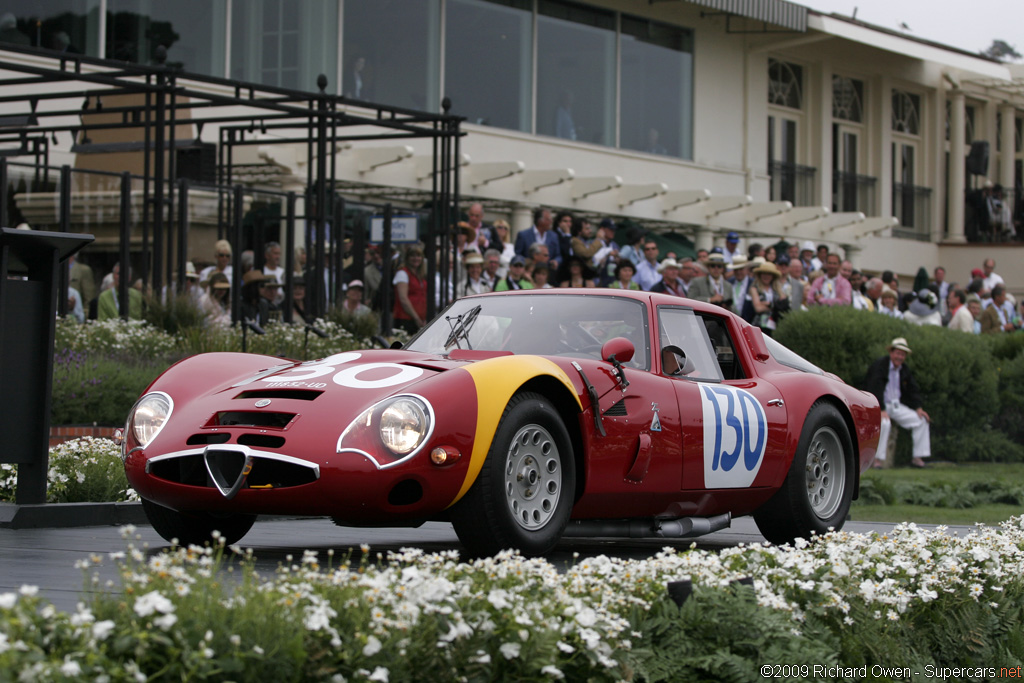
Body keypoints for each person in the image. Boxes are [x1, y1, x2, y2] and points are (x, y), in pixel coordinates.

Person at [864, 337, 931, 469]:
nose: (900, 357)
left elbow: (912, 389)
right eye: (898, 353)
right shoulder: (880, 366)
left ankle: (918, 458)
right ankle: (877, 460)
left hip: (896, 406)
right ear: (891, 353)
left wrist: (918, 408)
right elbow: (874, 387)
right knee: (884, 423)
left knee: (921, 420)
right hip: (880, 405)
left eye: (903, 354)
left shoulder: (904, 369)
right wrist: (881, 409)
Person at [392, 247, 428, 334]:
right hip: (405, 319)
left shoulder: (420, 275)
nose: (416, 258)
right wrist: (416, 318)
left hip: (420, 319)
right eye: (412, 256)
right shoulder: (402, 273)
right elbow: (403, 299)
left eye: (418, 256)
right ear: (407, 258)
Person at [748, 261, 787, 335]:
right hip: (760, 326)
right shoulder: (754, 288)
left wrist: (767, 304)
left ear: (773, 276)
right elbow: (758, 308)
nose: (766, 276)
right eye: (764, 273)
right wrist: (775, 306)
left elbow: (784, 304)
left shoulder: (777, 288)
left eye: (769, 274)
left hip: (776, 325)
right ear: (760, 275)